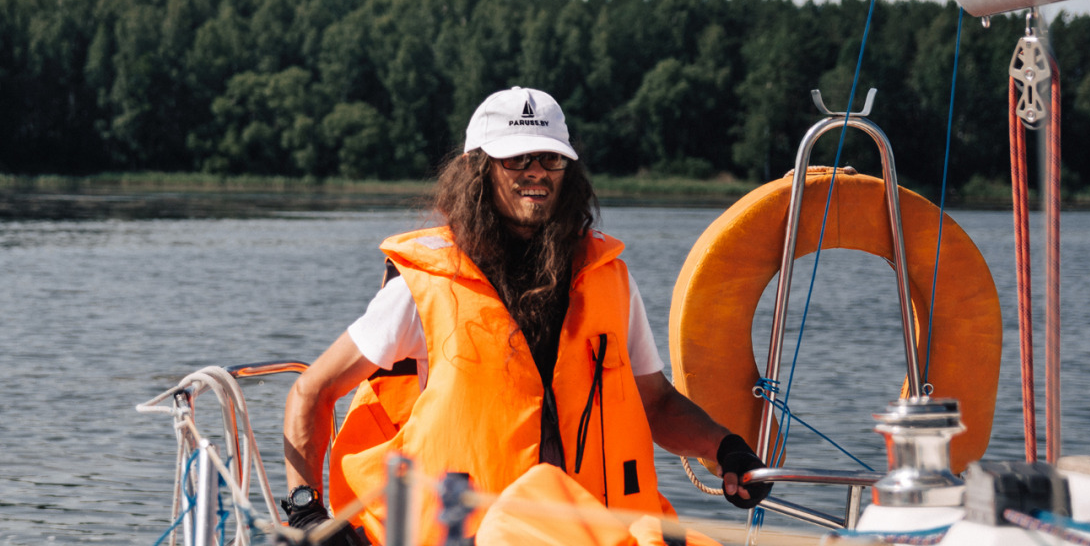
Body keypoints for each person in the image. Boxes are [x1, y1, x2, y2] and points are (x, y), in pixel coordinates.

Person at [279, 87, 770, 543]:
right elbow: (312, 391)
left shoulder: (610, 281)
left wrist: (725, 448)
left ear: (567, 170)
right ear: (478, 169)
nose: (536, 171)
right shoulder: (423, 287)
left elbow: (657, 404)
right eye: (516, 157)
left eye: (551, 157)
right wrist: (307, 512)